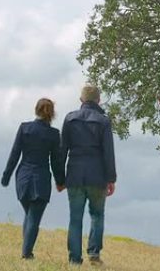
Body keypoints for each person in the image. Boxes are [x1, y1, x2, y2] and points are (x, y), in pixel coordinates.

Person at [1, 98, 65, 260]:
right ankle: (26, 254)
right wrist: (60, 181)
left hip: (22, 178)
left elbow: (14, 154)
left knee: (30, 215)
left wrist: (6, 176)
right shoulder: (53, 134)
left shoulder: (25, 128)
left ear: (36, 110)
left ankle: (26, 249)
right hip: (41, 179)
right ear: (52, 113)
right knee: (34, 218)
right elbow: (56, 161)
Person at [61, 84, 117, 265]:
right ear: (98, 100)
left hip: (75, 174)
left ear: (81, 100)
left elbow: (62, 151)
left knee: (75, 218)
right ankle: (94, 255)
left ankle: (74, 259)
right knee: (97, 215)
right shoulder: (103, 121)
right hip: (97, 175)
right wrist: (111, 179)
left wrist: (60, 178)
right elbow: (108, 152)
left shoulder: (69, 119)